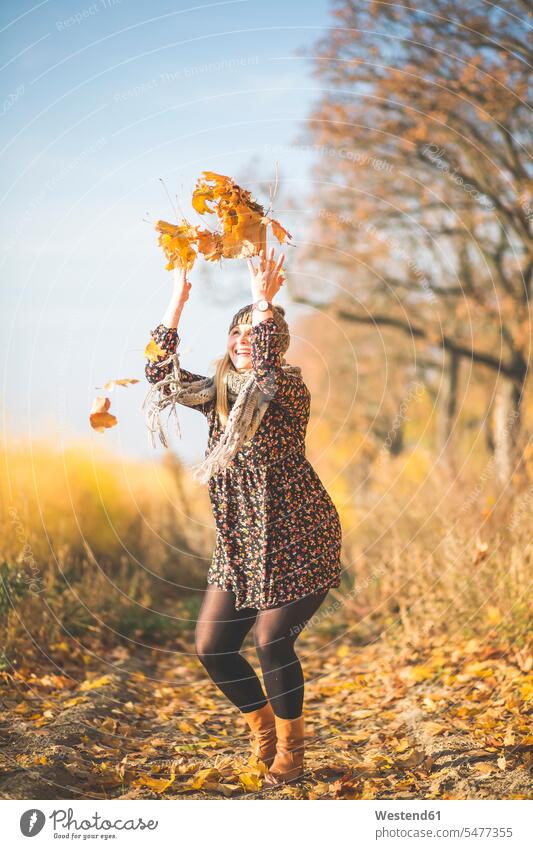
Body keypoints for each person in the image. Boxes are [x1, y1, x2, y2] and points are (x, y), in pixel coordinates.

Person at [144, 248, 343, 785]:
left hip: (301, 537)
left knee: (272, 641)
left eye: (253, 335)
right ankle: (262, 731)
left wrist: (263, 304)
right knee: (212, 647)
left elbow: (267, 360)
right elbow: (159, 377)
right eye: (236, 334)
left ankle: (292, 753)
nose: (243, 342)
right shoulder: (216, 398)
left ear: (270, 343)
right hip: (242, 544)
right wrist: (177, 302)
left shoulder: (284, 390)